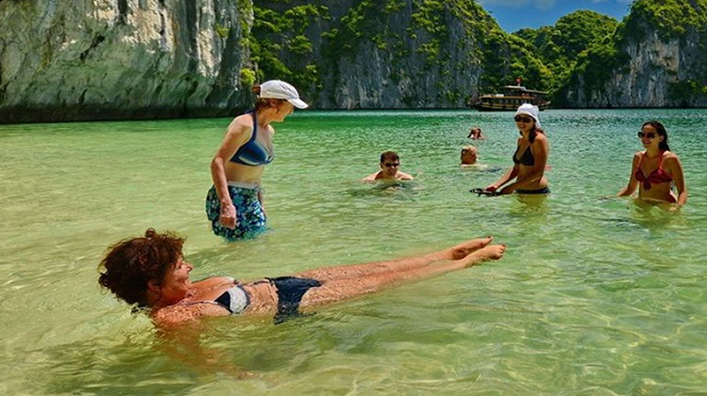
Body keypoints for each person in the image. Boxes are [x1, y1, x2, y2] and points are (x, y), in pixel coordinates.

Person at [98, 229, 506, 329]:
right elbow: (199, 360)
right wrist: (241, 377)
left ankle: (444, 253)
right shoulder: (171, 318)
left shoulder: (181, 293)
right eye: (180, 266)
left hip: (285, 281)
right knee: (389, 284)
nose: (188, 268)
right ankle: (465, 263)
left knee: (380, 268)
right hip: (294, 304)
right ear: (154, 287)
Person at [207, 80, 308, 240]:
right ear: (274, 102)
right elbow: (217, 162)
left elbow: (257, 172)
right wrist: (226, 203)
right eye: (290, 106)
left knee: (257, 245)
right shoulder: (244, 124)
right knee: (242, 249)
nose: (291, 111)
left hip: (251, 197)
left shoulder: (268, 130)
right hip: (232, 195)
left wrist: (260, 202)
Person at [484, 103, 549, 195]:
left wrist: (511, 187)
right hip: (519, 190)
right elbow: (516, 168)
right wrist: (497, 185)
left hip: (536, 192)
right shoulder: (521, 140)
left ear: (534, 121)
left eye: (526, 120)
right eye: (518, 119)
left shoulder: (539, 140)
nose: (521, 123)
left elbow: (538, 174)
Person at [618, 120, 687, 205]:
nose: (645, 138)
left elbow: (682, 191)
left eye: (650, 135)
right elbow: (631, 188)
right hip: (642, 204)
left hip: (664, 207)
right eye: (642, 134)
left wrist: (677, 209)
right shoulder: (638, 157)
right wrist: (613, 198)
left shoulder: (670, 159)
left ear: (661, 138)